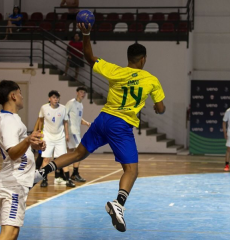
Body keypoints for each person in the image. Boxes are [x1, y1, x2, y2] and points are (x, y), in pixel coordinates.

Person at [36, 22, 166, 233]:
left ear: (128, 59)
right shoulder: (151, 81)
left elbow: (88, 57)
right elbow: (160, 108)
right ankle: (119, 204)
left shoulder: (115, 70)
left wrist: (86, 33)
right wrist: (159, 107)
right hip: (121, 125)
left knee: (78, 153)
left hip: (103, 119)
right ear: (144, 59)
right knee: (131, 170)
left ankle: (42, 172)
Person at [0, 80, 45, 240]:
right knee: (9, 233)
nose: (22, 96)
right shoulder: (8, 121)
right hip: (12, 184)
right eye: (20, 92)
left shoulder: (12, 118)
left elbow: (20, 147)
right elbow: (13, 153)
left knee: (13, 233)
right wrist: (28, 140)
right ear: (13, 96)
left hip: (16, 182)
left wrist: (33, 144)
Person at [36, 90, 75, 188]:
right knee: (46, 159)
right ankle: (44, 179)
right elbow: (40, 120)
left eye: (57, 97)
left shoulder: (63, 108)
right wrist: (39, 132)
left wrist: (66, 134)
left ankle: (68, 179)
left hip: (60, 137)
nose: (56, 99)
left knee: (63, 159)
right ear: (49, 99)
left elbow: (65, 122)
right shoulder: (44, 108)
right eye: (53, 97)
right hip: (47, 136)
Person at [65, 86, 91, 182]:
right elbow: (64, 117)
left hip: (76, 132)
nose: (83, 94)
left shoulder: (81, 105)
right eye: (81, 92)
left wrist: (87, 123)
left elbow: (79, 119)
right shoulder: (71, 103)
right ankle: (73, 174)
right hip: (72, 132)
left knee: (70, 153)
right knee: (80, 151)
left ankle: (68, 174)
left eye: (84, 92)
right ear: (77, 92)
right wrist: (66, 132)